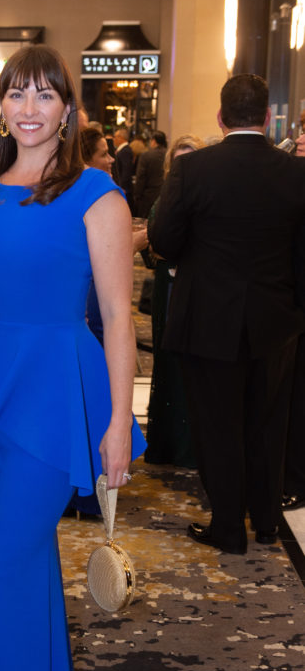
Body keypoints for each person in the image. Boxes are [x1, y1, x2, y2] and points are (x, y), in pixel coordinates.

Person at [0, 44, 145, 671]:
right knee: (23, 578)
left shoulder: (97, 197)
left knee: (7, 574)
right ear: (0, 107)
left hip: (47, 404)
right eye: (16, 93)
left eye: (46, 94)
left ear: (69, 109)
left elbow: (117, 321)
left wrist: (115, 420)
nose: (29, 108)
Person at [149, 73, 305, 554]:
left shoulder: (195, 170)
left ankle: (228, 527)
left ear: (220, 118)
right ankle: (264, 520)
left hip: (208, 320)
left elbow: (162, 239)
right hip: (276, 320)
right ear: (265, 117)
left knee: (217, 425)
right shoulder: (296, 173)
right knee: (267, 424)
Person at [144, 134, 205, 468]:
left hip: (198, 294)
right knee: (166, 366)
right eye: (178, 161)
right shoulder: (162, 201)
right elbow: (152, 253)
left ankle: (192, 446)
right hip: (167, 293)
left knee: (193, 367)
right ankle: (167, 445)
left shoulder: (209, 200)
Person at [133, 130, 167, 220]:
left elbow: (141, 177)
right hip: (166, 194)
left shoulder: (146, 155)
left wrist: (137, 195)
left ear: (154, 141)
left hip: (148, 196)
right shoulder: (169, 154)